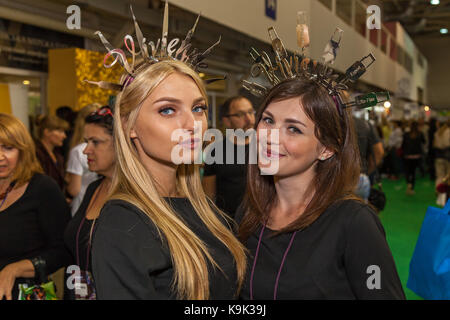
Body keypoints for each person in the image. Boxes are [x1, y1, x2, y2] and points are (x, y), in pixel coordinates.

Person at [91, 59, 247, 300]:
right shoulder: (123, 222)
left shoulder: (205, 210)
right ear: (128, 125)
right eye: (167, 110)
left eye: (198, 108)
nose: (192, 124)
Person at [237, 78, 405, 299]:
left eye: (293, 129)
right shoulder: (251, 210)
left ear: (326, 148)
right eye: (268, 120)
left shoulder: (354, 223)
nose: (270, 137)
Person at [0, 113, 72, 300]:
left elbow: (64, 251)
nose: (0, 156)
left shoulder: (42, 188)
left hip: (26, 293)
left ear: (23, 151)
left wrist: (15, 269)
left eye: (8, 148)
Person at [64, 106, 116, 300]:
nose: (86, 150)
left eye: (96, 142)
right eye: (86, 141)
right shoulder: (94, 188)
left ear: (121, 145)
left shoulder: (135, 196)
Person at [202, 96, 256, 218]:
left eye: (251, 112)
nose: (249, 119)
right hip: (228, 225)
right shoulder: (215, 150)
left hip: (262, 225)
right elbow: (208, 196)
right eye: (240, 114)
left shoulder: (267, 147)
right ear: (227, 121)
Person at [66, 104, 100, 216]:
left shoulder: (77, 151)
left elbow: (74, 190)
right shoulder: (109, 148)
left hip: (82, 207)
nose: (87, 151)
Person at [35, 115, 69, 191]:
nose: (64, 136)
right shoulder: (36, 153)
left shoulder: (57, 153)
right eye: (60, 131)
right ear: (47, 132)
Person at [402, 121, 426, 195]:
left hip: (407, 156)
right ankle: (411, 187)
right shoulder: (420, 134)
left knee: (407, 171)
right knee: (413, 172)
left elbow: (403, 145)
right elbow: (424, 142)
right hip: (416, 156)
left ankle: (408, 183)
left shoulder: (406, 134)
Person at [433, 119, 450, 206]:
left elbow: (434, 145)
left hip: (438, 156)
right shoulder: (448, 132)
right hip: (448, 157)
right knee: (448, 177)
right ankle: (445, 197)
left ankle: (439, 193)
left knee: (440, 176)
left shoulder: (438, 132)